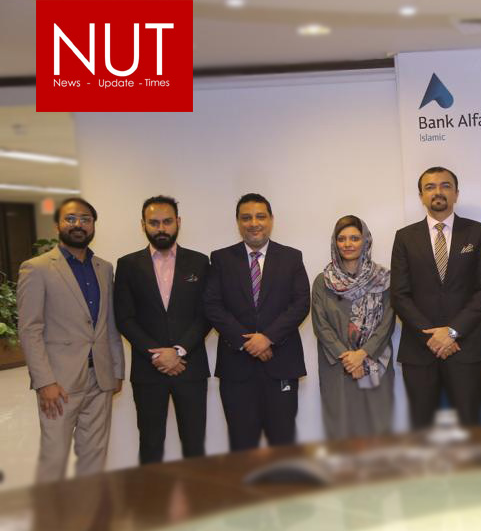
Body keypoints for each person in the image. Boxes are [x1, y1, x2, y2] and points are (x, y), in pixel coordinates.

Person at [16, 198, 124, 482]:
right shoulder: (36, 268)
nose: (79, 224)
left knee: (95, 455)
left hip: (100, 378)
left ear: (93, 225)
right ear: (57, 225)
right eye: (71, 218)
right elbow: (29, 329)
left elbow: (110, 323)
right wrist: (44, 382)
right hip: (59, 382)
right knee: (54, 458)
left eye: (86, 219)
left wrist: (116, 370)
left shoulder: (104, 268)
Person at [391, 166, 481, 429]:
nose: (438, 191)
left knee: (470, 426)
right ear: (421, 196)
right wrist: (432, 337)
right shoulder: (404, 237)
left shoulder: (477, 232)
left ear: (456, 193)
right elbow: (400, 295)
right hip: (420, 350)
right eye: (430, 187)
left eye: (445, 185)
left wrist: (451, 332)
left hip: (466, 347)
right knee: (422, 428)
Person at [204, 193, 310, 451]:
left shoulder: (291, 257)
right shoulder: (221, 259)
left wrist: (268, 338)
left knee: (283, 444)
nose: (254, 223)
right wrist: (248, 342)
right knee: (242, 445)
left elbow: (301, 304)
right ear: (238, 222)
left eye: (260, 216)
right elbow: (212, 305)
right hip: (237, 369)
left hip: (281, 364)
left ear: (271, 219)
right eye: (246, 218)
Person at [114, 196, 212, 464]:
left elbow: (206, 315)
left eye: (167, 221)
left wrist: (179, 351)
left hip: (190, 367)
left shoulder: (199, 262)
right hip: (148, 370)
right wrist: (158, 355)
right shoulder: (128, 265)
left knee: (194, 443)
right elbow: (124, 318)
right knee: (150, 444)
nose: (161, 228)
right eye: (154, 222)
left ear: (178, 222)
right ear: (143, 225)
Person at [312, 215, 396, 439]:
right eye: (341, 239)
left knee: (378, 430)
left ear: (365, 241)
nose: (347, 244)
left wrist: (362, 354)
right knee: (341, 432)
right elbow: (321, 325)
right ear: (335, 243)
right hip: (337, 366)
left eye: (354, 238)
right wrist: (348, 358)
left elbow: (387, 322)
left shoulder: (383, 279)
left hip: (376, 362)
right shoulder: (322, 281)